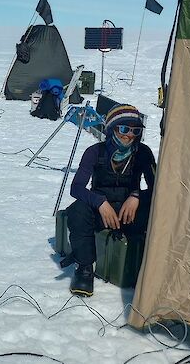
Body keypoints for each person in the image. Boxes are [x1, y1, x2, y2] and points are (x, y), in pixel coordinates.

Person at [65, 103, 156, 297]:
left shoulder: (143, 153)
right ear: (112, 129)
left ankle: (147, 264)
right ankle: (85, 268)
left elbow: (157, 188)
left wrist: (136, 195)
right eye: (124, 128)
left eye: (135, 130)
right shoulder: (95, 152)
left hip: (129, 213)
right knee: (77, 211)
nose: (129, 135)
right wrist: (99, 202)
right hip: (102, 212)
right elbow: (77, 188)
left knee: (160, 207)